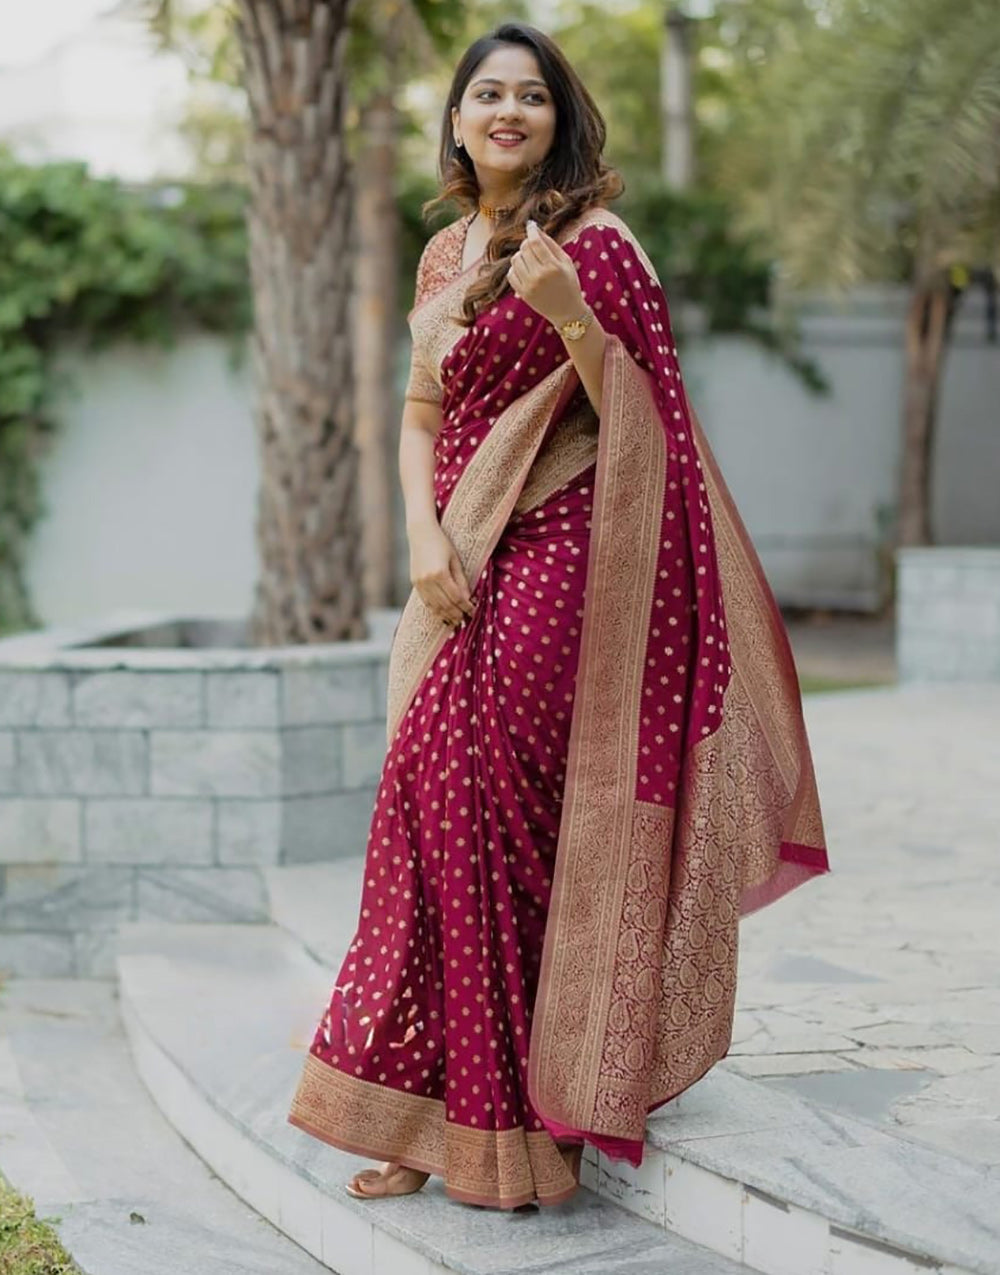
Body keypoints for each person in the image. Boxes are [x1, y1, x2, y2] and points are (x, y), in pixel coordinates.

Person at [287, 21, 830, 1211]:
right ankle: (429, 1114)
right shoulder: (442, 256)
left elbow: (651, 425)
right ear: (458, 119)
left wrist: (571, 313)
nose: (508, 112)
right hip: (460, 558)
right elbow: (420, 417)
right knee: (431, 808)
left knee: (511, 815)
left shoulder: (600, 246)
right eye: (488, 92)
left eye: (531, 96)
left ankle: (539, 1112)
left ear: (558, 120)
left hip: (567, 551)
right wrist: (425, 538)